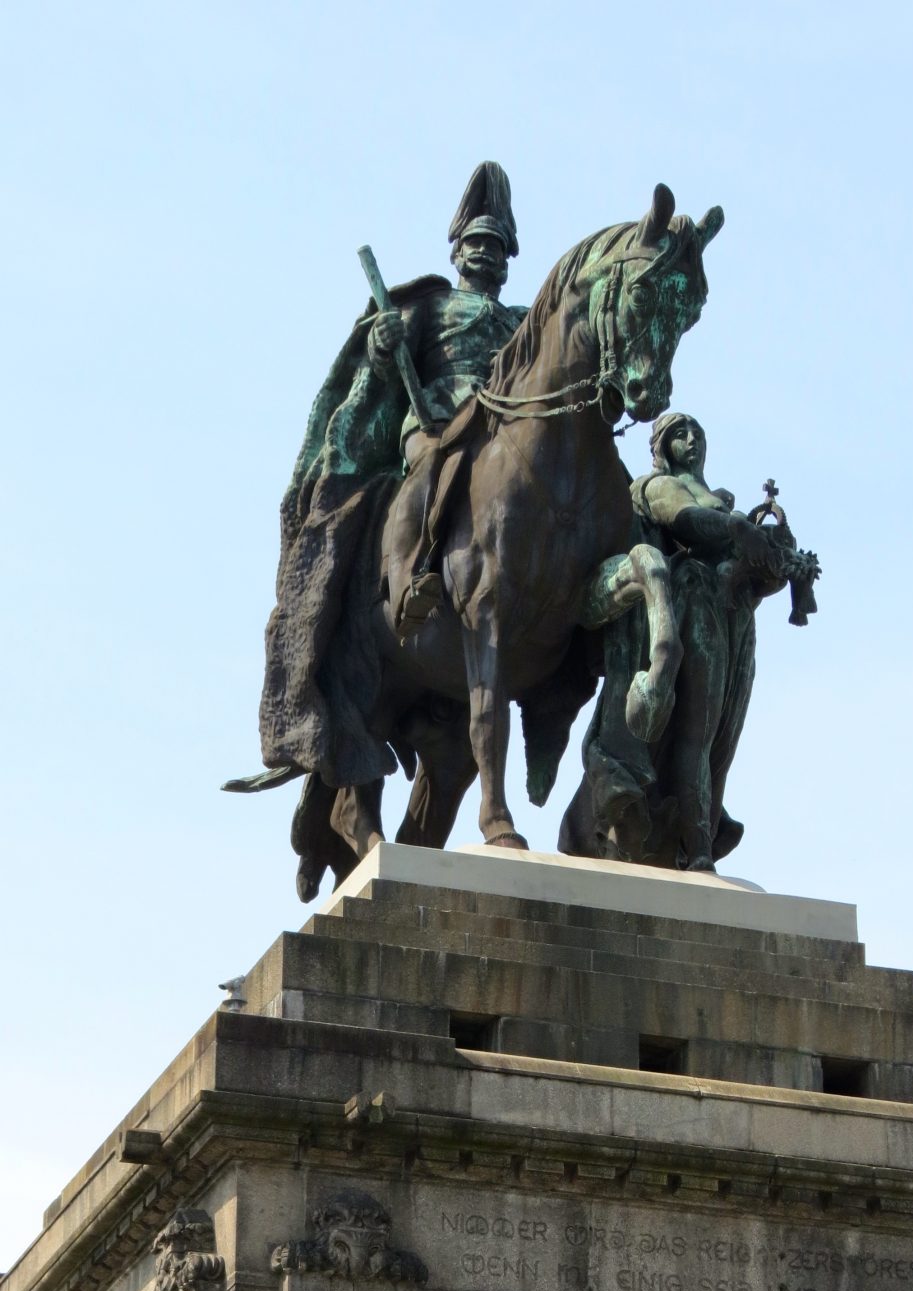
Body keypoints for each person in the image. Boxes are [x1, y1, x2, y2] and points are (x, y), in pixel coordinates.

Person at [257, 162, 527, 802]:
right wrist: (384, 343)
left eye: (496, 248)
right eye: (476, 246)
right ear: (458, 252)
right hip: (433, 413)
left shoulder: (520, 321)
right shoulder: (432, 305)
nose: (486, 256)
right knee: (444, 465)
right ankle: (425, 569)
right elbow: (382, 359)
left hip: (503, 426)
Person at [559, 411, 815, 872]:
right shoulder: (657, 487)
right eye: (679, 434)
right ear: (660, 448)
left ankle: (697, 838)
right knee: (696, 730)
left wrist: (783, 562)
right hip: (693, 604)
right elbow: (690, 524)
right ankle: (698, 847)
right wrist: (740, 530)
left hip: (733, 622)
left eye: (696, 432)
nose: (691, 439)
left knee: (721, 740)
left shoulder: (722, 498)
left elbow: (752, 573)